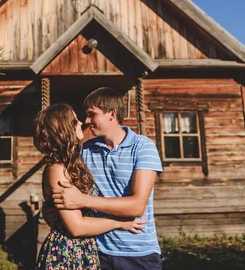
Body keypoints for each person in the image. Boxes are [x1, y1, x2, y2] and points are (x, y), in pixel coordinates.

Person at [50, 87, 164, 270]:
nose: (87, 121)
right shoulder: (85, 151)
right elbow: (59, 175)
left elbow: (137, 206)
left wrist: (83, 200)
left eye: (91, 114)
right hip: (98, 252)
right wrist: (50, 206)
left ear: (112, 114)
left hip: (138, 253)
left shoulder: (143, 147)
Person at [33, 103, 147, 270]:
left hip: (85, 249)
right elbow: (76, 227)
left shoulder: (74, 162)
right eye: (74, 120)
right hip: (67, 253)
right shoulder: (58, 169)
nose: (81, 122)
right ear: (63, 129)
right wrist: (119, 223)